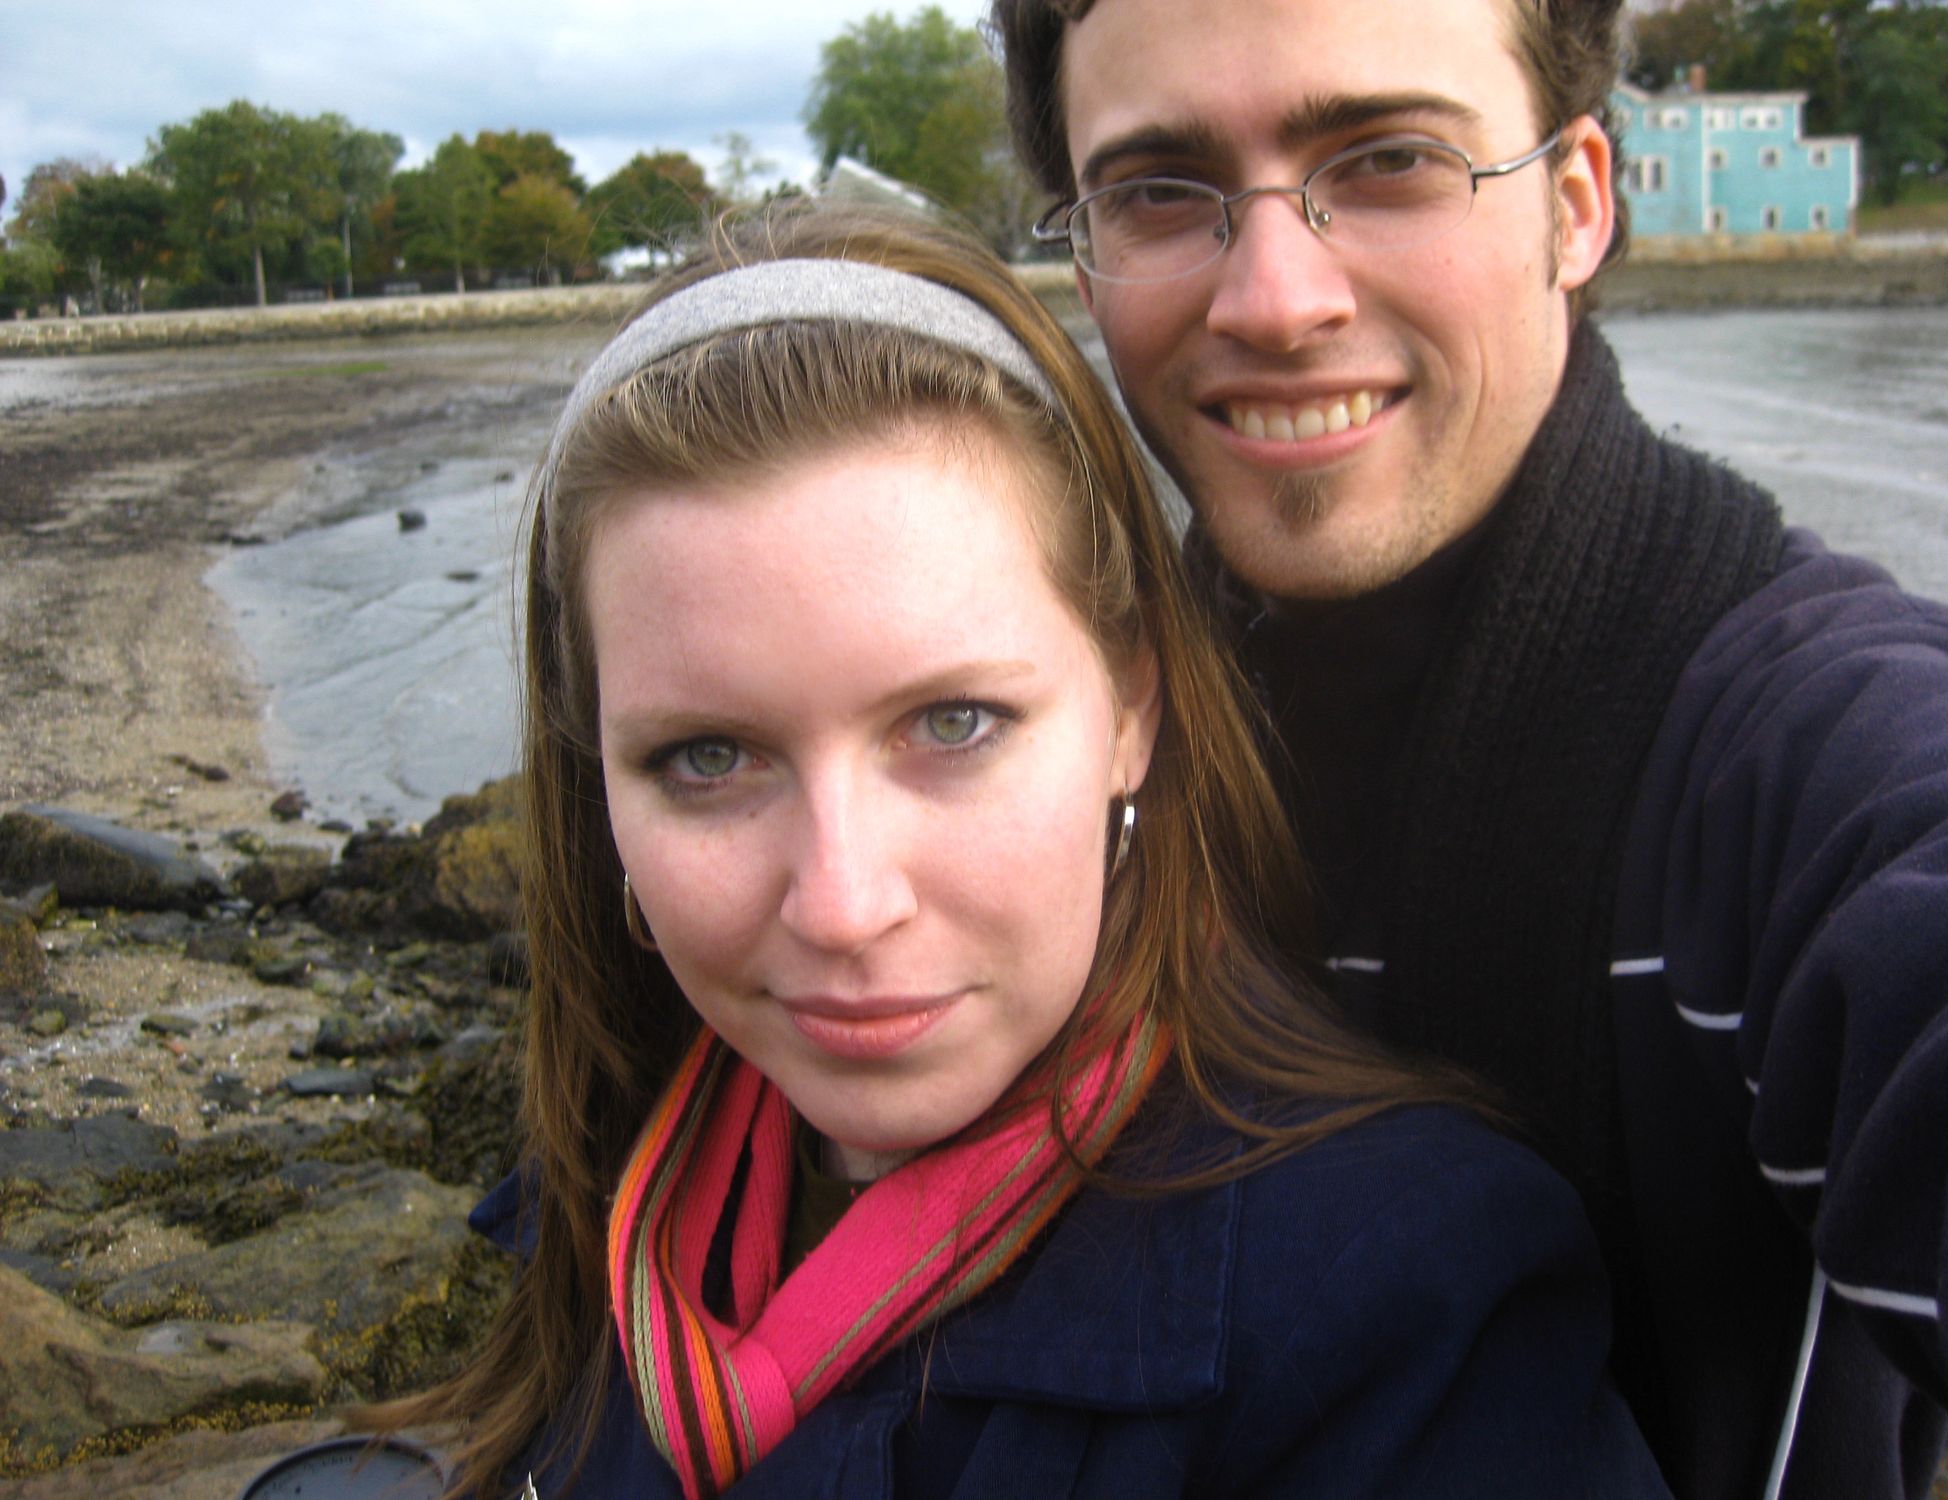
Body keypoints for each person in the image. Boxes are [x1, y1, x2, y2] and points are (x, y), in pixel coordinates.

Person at [354, 203, 1671, 1499]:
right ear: (598, 783)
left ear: (1132, 708)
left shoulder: (1401, 1313)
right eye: (708, 758)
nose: (844, 904)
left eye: (953, 723)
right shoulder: (615, 1178)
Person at [985, 1, 1948, 1497]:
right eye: (1158, 191)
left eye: (1389, 158)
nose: (1274, 296)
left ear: (1579, 203)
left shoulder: (1791, 759)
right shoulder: (1030, 760)